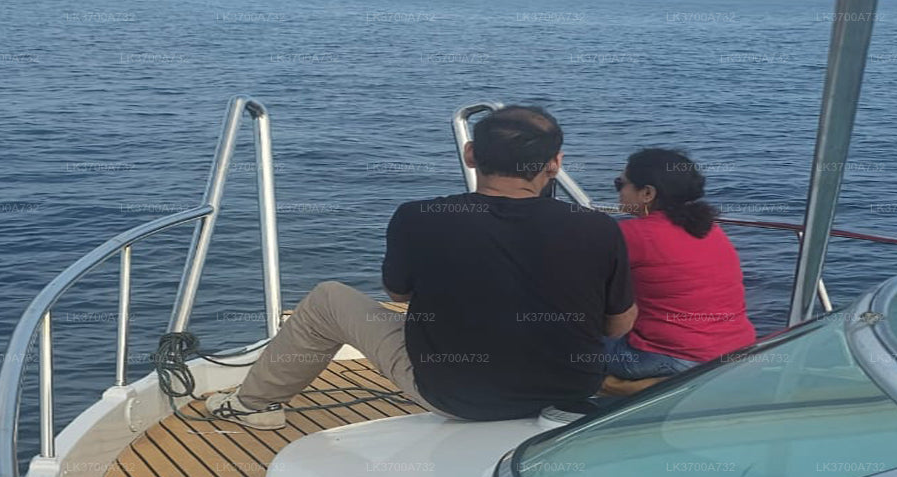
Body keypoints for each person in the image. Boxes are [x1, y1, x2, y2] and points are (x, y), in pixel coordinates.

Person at [204, 105, 637, 429]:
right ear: (555, 163)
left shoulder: (418, 217)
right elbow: (617, 325)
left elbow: (400, 294)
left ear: (471, 154)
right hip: (571, 392)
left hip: (457, 397)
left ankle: (253, 407)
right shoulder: (598, 227)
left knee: (327, 299)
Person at [601, 147, 756, 393]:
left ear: (647, 193)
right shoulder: (709, 229)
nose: (618, 192)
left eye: (620, 184)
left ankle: (622, 388)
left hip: (671, 358)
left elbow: (576, 280)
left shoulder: (632, 234)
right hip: (735, 349)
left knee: (557, 334)